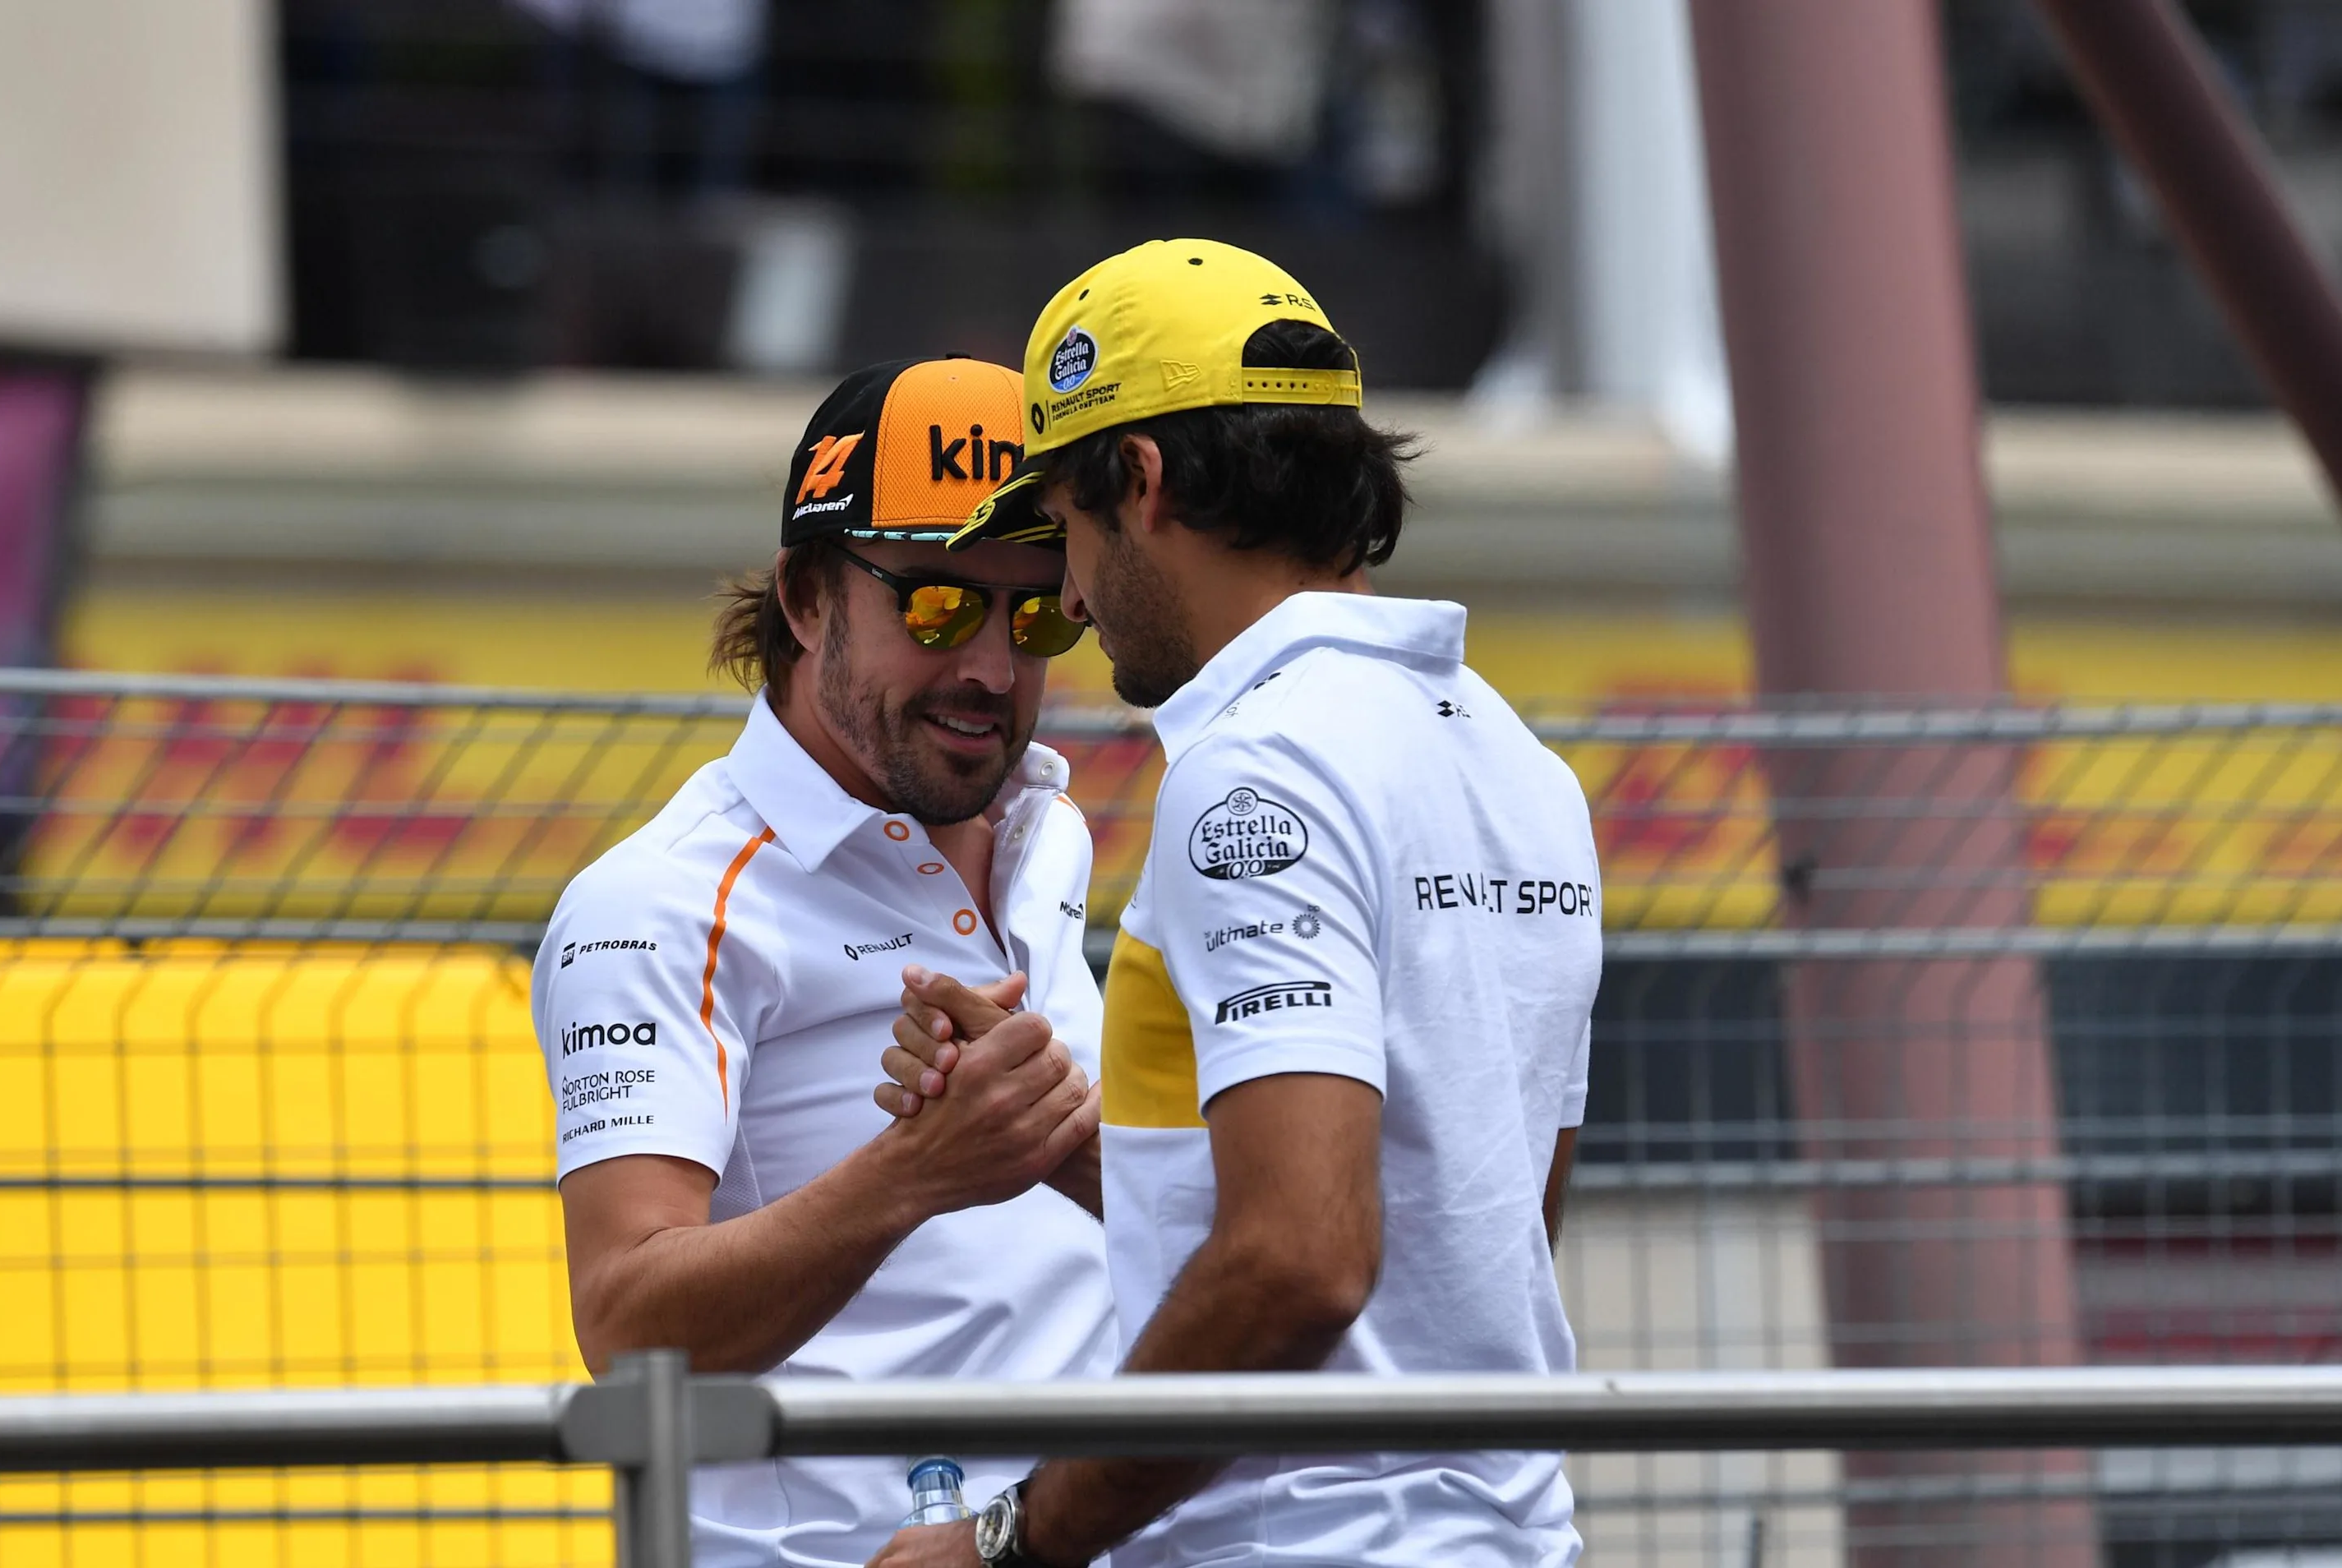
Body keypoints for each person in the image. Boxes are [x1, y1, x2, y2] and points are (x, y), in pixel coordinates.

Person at [871, 240, 1601, 1568]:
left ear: (1139, 482)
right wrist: (1045, 1132)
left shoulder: (1256, 770)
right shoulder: (1517, 762)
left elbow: (1304, 1260)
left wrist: (1008, 1541)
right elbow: (1481, 1229)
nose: (1074, 604)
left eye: (1070, 532)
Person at [536, 356, 1117, 1566]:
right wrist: (919, 1169)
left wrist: (1057, 1144)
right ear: (805, 601)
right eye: (939, 605)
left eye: (1040, 610)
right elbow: (626, 1325)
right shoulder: (658, 903)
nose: (994, 670)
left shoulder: (1047, 832)